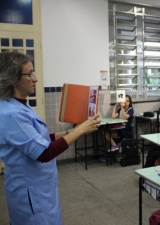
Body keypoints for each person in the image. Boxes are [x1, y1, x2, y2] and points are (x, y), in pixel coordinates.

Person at [0, 51, 101, 225]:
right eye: (30, 73)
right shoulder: (10, 114)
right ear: (14, 78)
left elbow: (41, 138)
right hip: (29, 191)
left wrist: (74, 131)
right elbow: (44, 152)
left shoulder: (21, 105)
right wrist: (80, 130)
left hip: (40, 185)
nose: (35, 78)